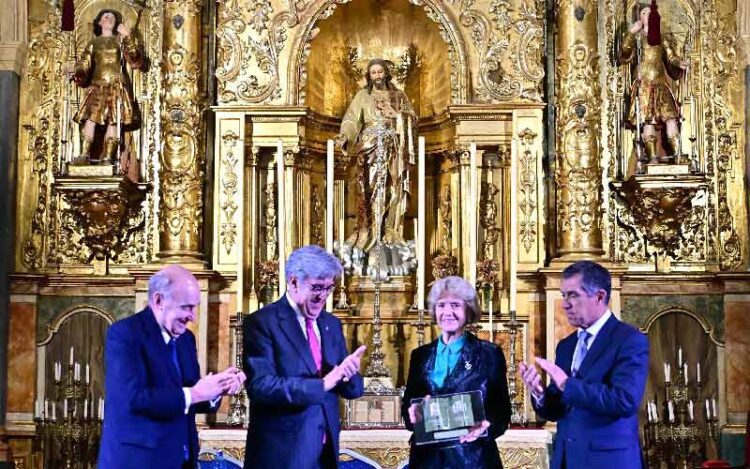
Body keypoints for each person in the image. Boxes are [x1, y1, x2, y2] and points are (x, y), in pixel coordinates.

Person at [98, 265, 245, 468]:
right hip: (139, 461)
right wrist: (194, 393)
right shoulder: (125, 334)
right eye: (186, 307)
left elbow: (189, 395)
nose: (193, 316)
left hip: (182, 460)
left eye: (194, 307)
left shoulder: (186, 340)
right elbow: (134, 398)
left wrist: (217, 388)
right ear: (159, 300)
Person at [243, 245, 366, 469]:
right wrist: (322, 384)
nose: (323, 296)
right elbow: (261, 386)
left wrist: (348, 375)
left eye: (329, 288)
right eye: (316, 287)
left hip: (324, 454)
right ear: (293, 281)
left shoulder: (331, 324)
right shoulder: (262, 323)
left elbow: (353, 390)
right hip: (282, 456)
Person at [520, 261, 649, 469]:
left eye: (573, 295)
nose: (565, 304)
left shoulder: (629, 340)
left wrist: (566, 384)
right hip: (567, 460)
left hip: (608, 462)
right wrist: (540, 394)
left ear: (599, 296)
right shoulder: (566, 346)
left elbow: (624, 401)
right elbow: (559, 409)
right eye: (564, 295)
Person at [402, 276, 512, 468]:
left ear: (469, 311)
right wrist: (412, 415)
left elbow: (502, 412)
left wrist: (486, 426)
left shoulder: (489, 354)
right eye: (441, 305)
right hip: (427, 461)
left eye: (455, 305)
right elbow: (409, 409)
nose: (447, 312)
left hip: (473, 459)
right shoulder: (420, 355)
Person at [335, 58, 417, 267]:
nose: (378, 76)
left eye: (380, 72)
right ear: (369, 76)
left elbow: (412, 120)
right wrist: (345, 135)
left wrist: (398, 117)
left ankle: (390, 230)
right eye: (374, 73)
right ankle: (369, 233)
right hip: (369, 149)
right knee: (369, 189)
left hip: (393, 149)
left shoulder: (399, 96)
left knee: (392, 188)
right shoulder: (362, 96)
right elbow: (352, 120)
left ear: (386, 74)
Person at [71, 9, 145, 166]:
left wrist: (128, 36)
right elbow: (85, 63)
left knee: (114, 120)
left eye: (112, 17)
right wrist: (77, 71)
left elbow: (134, 58)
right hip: (98, 85)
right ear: (100, 22)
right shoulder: (94, 43)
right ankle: (84, 154)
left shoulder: (119, 41)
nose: (109, 19)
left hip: (116, 86)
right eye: (106, 17)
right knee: (91, 120)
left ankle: (108, 157)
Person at [620, 0, 687, 162]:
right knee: (646, 120)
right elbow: (625, 52)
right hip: (644, 85)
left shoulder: (661, 38)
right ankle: (652, 157)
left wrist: (680, 63)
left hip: (660, 84)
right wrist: (630, 33)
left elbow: (671, 56)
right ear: (639, 18)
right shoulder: (637, 38)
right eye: (644, 13)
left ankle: (677, 154)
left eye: (650, 13)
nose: (648, 16)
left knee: (671, 117)